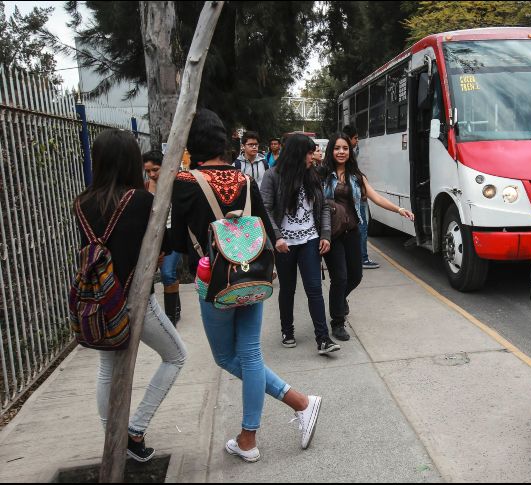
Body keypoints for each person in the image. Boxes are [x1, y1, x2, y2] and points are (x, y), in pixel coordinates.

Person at [170, 110, 322, 462]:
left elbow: (177, 242)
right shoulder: (244, 180)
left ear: (191, 144)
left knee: (226, 357)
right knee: (251, 354)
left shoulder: (184, 182)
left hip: (214, 283)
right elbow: (266, 227)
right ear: (224, 141)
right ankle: (251, 436)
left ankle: (295, 404)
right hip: (252, 276)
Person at [75, 129, 187, 463]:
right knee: (176, 356)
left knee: (106, 369)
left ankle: (114, 436)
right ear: (128, 162)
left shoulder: (81, 203)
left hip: (99, 302)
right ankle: (134, 429)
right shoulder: (140, 201)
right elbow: (162, 248)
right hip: (134, 301)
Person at [320, 133, 414, 341]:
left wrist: (399, 209)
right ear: (331, 151)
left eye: (345, 148)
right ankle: (337, 322)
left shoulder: (356, 176)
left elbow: (376, 197)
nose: (341, 152)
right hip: (331, 235)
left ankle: (339, 299)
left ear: (350, 151)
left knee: (356, 276)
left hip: (352, 232)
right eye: (337, 148)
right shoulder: (322, 175)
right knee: (340, 277)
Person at [261, 134, 339, 354]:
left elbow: (323, 206)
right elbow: (265, 209)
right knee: (287, 289)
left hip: (309, 241)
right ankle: (287, 330)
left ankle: (323, 339)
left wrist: (325, 234)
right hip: (284, 244)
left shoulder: (312, 175)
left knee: (314, 289)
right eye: (309, 152)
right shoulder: (272, 176)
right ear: (298, 153)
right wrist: (276, 238)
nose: (313, 156)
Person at [143, 149, 182, 325]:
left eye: (155, 169)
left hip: (172, 233)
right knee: (154, 276)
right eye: (148, 171)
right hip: (151, 237)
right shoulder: (143, 188)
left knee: (167, 274)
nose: (152, 174)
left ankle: (171, 318)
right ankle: (175, 307)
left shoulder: (176, 184)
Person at [342, 125, 378, 270]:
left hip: (354, 199)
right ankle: (362, 257)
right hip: (354, 201)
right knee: (362, 227)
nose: (357, 141)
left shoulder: (351, 155)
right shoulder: (348, 156)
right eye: (355, 138)